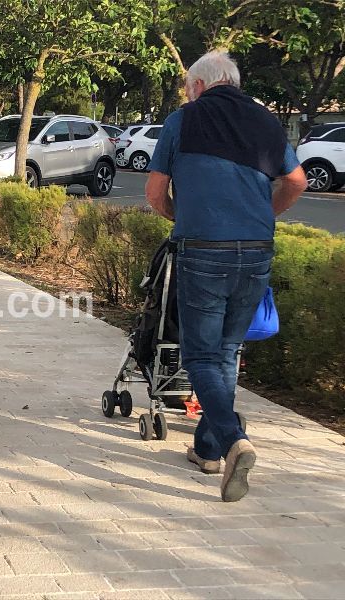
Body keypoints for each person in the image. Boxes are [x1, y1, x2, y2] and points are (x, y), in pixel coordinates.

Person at [145, 51, 307, 502]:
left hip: (204, 249)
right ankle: (209, 450)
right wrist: (262, 216)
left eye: (186, 87)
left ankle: (234, 439)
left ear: (199, 85)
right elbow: (296, 182)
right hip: (256, 249)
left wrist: (183, 217)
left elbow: (155, 193)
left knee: (199, 356)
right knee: (228, 352)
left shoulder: (184, 119)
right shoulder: (266, 122)